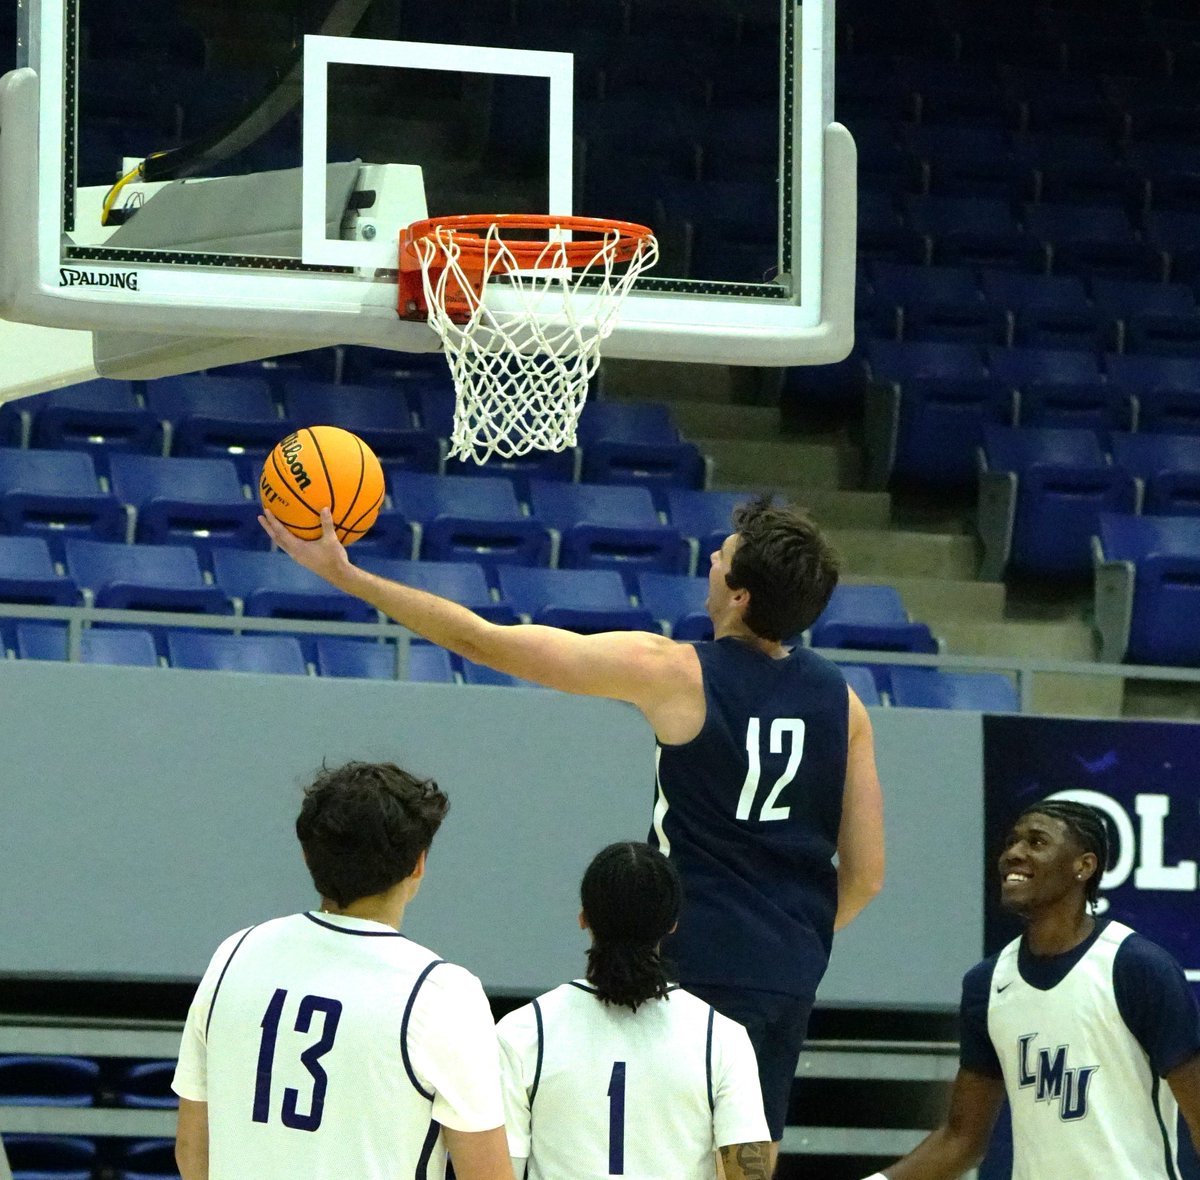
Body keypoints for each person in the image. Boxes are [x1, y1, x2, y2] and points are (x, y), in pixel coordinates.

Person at [261, 494, 886, 1167]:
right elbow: (866, 874)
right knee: (746, 1160)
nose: (710, 558)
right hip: (785, 973)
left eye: (723, 558)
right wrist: (783, 938)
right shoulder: (844, 704)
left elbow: (483, 641)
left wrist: (347, 576)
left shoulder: (677, 673)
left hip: (681, 961)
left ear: (737, 596)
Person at [171, 761, 513, 1180]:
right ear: (418, 865)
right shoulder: (443, 993)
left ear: (306, 854)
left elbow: (192, 1153)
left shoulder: (234, 954)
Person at [860, 799, 1200, 1180]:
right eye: (1011, 842)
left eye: (1036, 842)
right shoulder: (986, 984)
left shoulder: (1136, 967)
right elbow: (961, 1141)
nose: (1013, 854)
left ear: (1083, 866)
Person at [497, 841, 772, 1180]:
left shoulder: (523, 1032)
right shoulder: (722, 1039)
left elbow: (496, 1171)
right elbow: (749, 1175)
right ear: (672, 923)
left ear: (584, 917)